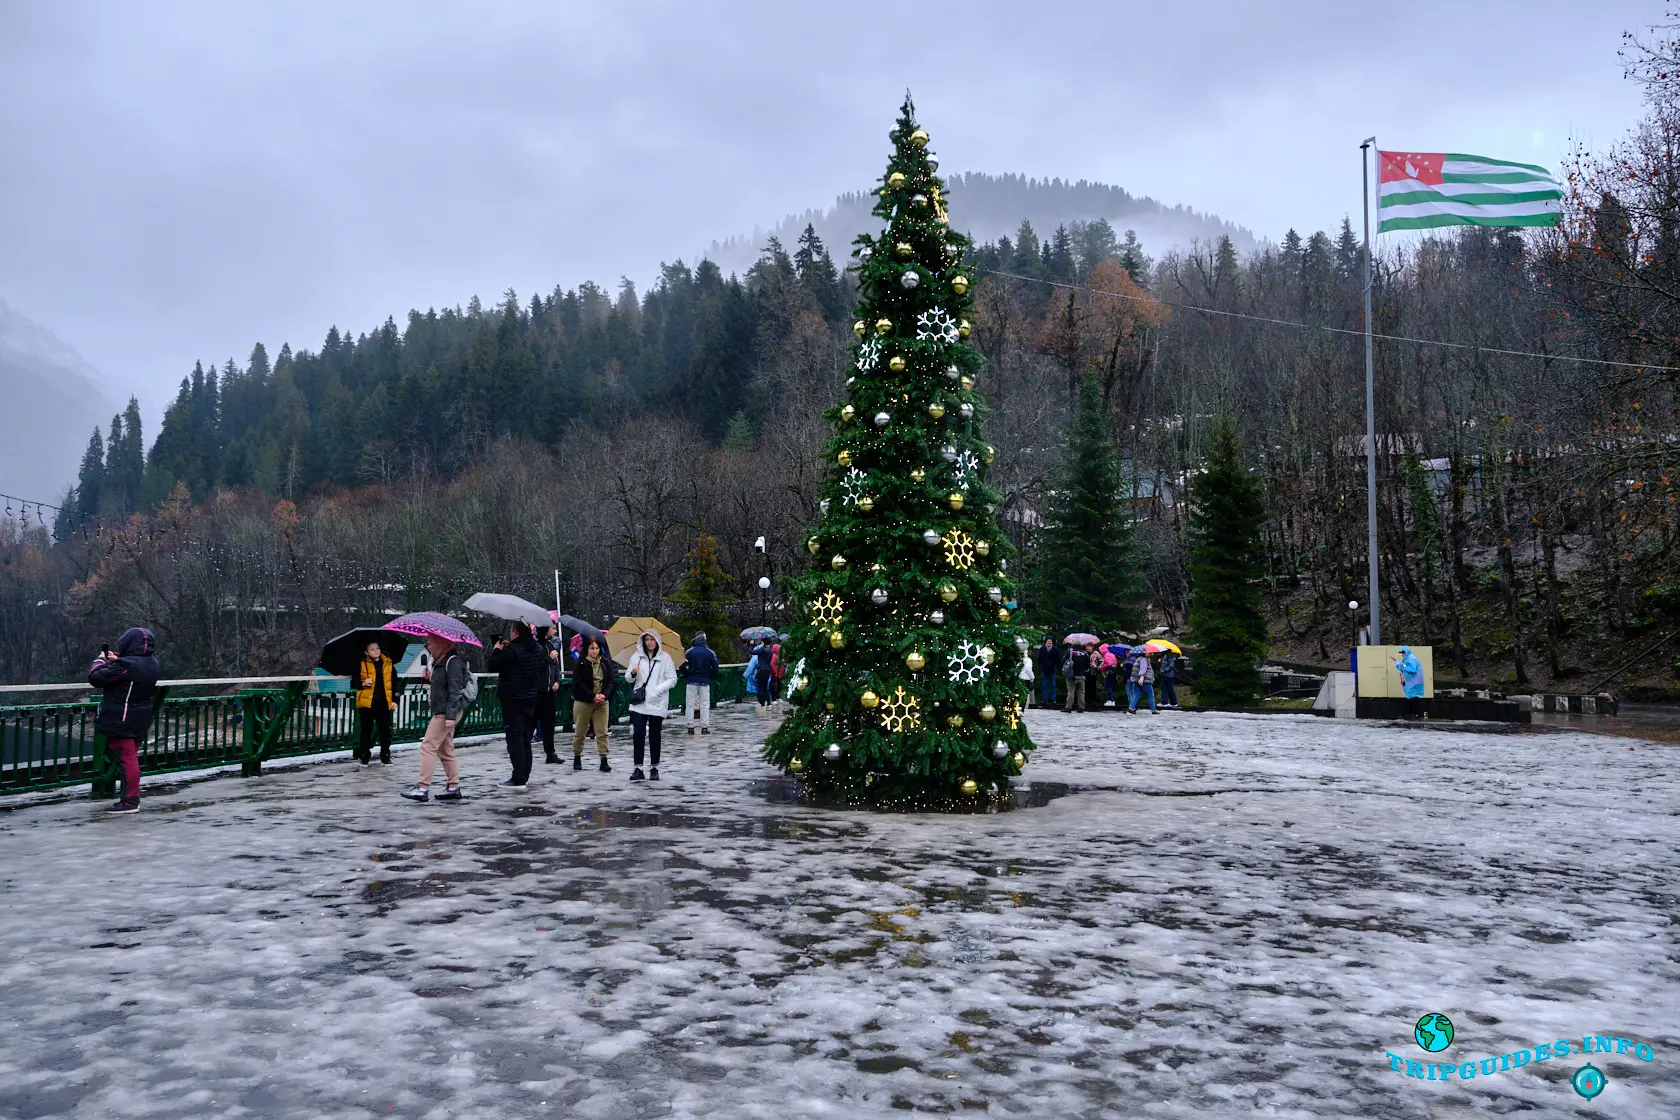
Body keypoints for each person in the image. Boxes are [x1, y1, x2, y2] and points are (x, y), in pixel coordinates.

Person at [88, 627, 161, 814]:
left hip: (122, 717)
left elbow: (95, 677)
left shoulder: (126, 665)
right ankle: (130, 799)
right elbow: (131, 668)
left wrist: (100, 660)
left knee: (127, 759)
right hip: (140, 717)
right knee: (130, 757)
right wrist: (117, 660)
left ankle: (130, 801)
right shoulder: (152, 663)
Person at [404, 633, 469, 802]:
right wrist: (429, 679)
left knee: (428, 747)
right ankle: (453, 786)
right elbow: (443, 687)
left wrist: (450, 716)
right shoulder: (441, 661)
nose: (429, 647)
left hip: (445, 712)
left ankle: (423, 787)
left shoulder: (453, 662)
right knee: (445, 750)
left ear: (442, 643)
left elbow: (455, 691)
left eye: (431, 643)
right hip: (443, 711)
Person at [488, 621, 547, 788]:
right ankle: (524, 773)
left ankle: (518, 777)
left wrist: (497, 650)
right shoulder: (537, 649)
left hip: (512, 700)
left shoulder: (512, 650)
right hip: (530, 698)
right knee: (525, 739)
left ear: (515, 632)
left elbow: (493, 665)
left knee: (515, 740)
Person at [626, 630, 678, 781]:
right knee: (639, 732)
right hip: (639, 702)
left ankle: (654, 767)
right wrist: (633, 673)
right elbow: (628, 678)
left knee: (655, 735)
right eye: (646, 639)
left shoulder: (665, 658)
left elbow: (672, 679)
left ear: (657, 642)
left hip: (657, 701)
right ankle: (638, 768)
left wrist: (658, 690)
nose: (649, 642)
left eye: (652, 639)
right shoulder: (636, 657)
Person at [571, 636, 619, 771]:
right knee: (580, 731)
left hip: (602, 701)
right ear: (586, 649)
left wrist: (604, 695)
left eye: (597, 648)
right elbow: (577, 683)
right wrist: (592, 696)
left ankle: (604, 759)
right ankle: (577, 757)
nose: (594, 651)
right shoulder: (581, 663)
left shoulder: (605, 662)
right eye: (592, 648)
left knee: (602, 731)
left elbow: (613, 681)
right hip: (584, 701)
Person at [355, 639, 396, 765]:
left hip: (383, 702)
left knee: (385, 730)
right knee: (366, 730)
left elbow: (394, 682)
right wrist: (363, 683)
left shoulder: (387, 663)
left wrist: (395, 699)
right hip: (367, 703)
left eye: (377, 648)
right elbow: (353, 682)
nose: (376, 651)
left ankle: (385, 755)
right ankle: (364, 755)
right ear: (366, 652)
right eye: (372, 649)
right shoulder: (361, 664)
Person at [535, 625, 565, 764]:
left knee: (549, 724)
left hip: (550, 692)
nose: (555, 630)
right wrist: (548, 658)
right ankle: (524, 752)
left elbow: (556, 667)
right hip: (537, 692)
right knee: (531, 723)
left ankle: (550, 753)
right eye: (552, 628)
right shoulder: (536, 646)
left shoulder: (552, 645)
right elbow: (533, 667)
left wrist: (558, 681)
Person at [683, 631, 720, 735]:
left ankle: (690, 726)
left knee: (690, 704)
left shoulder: (689, 652)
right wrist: (710, 676)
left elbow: (682, 665)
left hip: (691, 680)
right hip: (704, 681)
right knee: (704, 704)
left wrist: (687, 674)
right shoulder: (710, 652)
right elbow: (716, 668)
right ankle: (704, 727)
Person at [1395, 646, 1426, 718]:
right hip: (1412, 681)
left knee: (1412, 698)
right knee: (1412, 697)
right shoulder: (1407, 658)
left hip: (1414, 682)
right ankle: (1412, 714)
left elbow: (1412, 669)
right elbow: (1404, 668)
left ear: (1406, 652)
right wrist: (1398, 665)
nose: (1402, 654)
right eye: (1401, 653)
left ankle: (1412, 714)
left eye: (1403, 653)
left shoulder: (1411, 658)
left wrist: (1403, 665)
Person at [1129, 649, 1158, 714]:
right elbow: (1143, 669)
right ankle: (1153, 710)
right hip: (1144, 680)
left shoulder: (1138, 659)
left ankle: (1130, 708)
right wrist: (1142, 677)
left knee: (1137, 694)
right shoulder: (1143, 659)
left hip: (1137, 680)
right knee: (1150, 695)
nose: (1149, 653)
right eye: (1148, 652)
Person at [1063, 642, 1089, 713]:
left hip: (1071, 675)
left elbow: (1064, 661)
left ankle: (1068, 707)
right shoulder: (1085, 653)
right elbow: (1087, 665)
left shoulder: (1070, 651)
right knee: (1081, 692)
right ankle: (1081, 707)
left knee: (1071, 691)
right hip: (1081, 675)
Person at [1035, 638, 1060, 708]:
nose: (1049, 642)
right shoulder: (1042, 649)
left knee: (1053, 685)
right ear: (1046, 642)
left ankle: (1053, 699)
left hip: (1052, 669)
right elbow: (1039, 659)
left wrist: (1055, 667)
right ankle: (1044, 699)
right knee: (1044, 685)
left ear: (1052, 642)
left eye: (1050, 641)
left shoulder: (1055, 649)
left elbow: (1058, 659)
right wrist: (1041, 667)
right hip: (1044, 669)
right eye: (1048, 641)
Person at [752, 639, 774, 708]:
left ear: (763, 642)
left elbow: (752, 652)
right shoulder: (770, 651)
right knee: (765, 687)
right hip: (767, 670)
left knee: (760, 687)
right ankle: (769, 702)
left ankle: (762, 703)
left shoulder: (762, 649)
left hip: (761, 669)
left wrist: (751, 644)